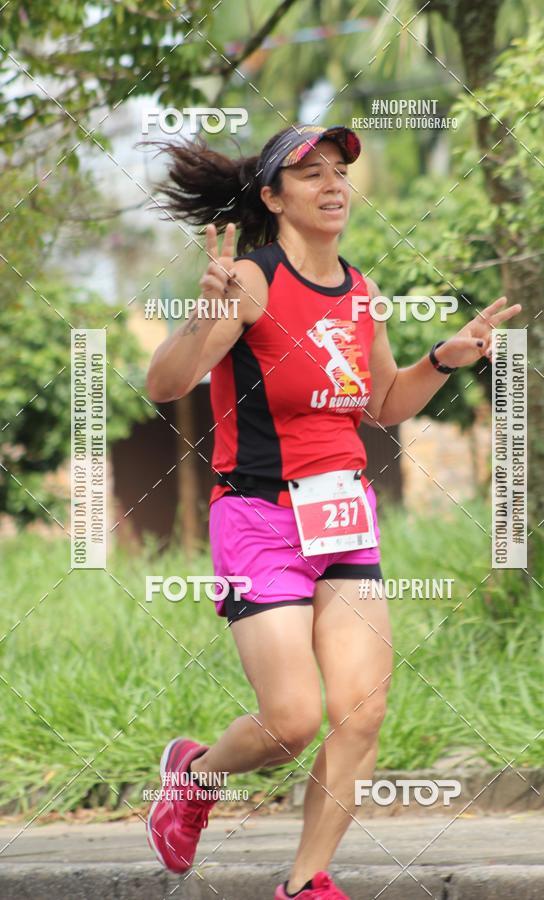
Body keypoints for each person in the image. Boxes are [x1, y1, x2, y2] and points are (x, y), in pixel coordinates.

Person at [144, 123, 521, 899]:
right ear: (275, 197)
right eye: (309, 173)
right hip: (258, 518)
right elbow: (166, 385)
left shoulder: (361, 293)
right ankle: (193, 778)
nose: (332, 184)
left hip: (343, 514)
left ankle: (306, 881)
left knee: (361, 711)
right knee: (290, 721)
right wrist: (201, 313)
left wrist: (445, 359)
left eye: (340, 171)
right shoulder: (250, 280)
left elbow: (382, 403)